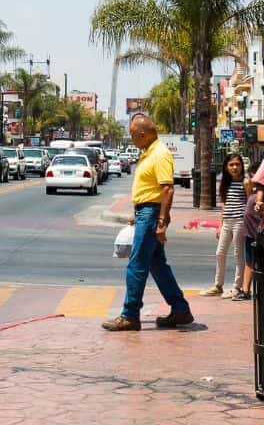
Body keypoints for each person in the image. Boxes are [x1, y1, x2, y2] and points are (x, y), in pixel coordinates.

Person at [102, 114, 193, 332]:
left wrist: (161, 222)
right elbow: (151, 188)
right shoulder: (149, 152)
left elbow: (167, 189)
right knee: (157, 265)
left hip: (152, 215)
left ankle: (130, 315)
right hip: (146, 212)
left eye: (133, 135)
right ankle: (180, 309)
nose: (131, 138)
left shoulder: (160, 154)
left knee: (137, 265)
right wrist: (138, 210)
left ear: (142, 134)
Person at [201, 153, 247, 299]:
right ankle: (218, 286)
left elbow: (250, 202)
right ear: (226, 167)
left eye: (237, 164)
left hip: (240, 221)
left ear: (242, 166)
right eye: (231, 165)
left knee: (238, 255)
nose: (234, 167)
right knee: (220, 253)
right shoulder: (225, 183)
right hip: (227, 221)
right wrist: (220, 225)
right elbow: (224, 204)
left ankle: (237, 287)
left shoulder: (246, 182)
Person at [238, 159, 264, 301]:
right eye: (251, 174)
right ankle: (245, 290)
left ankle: (262, 290)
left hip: (261, 232)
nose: (253, 178)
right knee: (249, 260)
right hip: (249, 232)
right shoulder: (252, 190)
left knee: (262, 261)